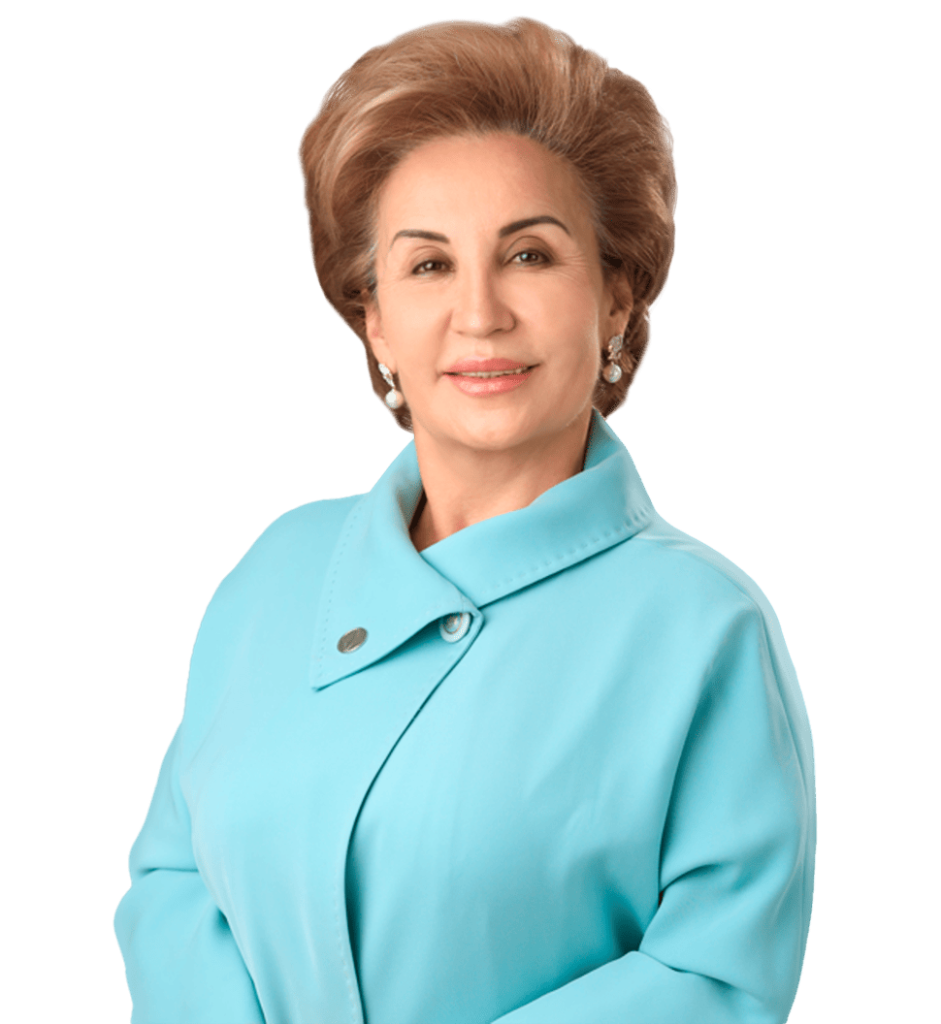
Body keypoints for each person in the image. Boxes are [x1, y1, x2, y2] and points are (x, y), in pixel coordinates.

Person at [113, 15, 816, 1023]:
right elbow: (174, 873)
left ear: (615, 299)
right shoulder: (276, 569)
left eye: (528, 255)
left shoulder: (706, 626)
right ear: (374, 319)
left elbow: (715, 976)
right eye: (428, 265)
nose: (479, 314)